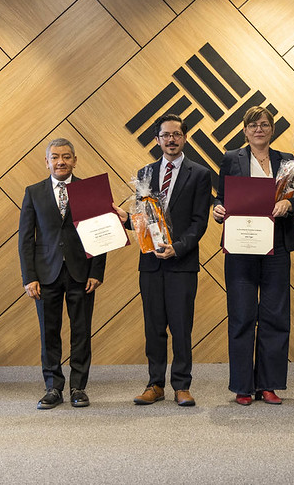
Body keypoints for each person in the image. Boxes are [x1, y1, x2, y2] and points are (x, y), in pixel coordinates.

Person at [213, 105, 294, 405]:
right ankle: (243, 385)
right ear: (244, 130)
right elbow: (221, 198)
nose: (259, 130)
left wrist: (289, 205)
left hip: (276, 246)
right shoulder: (231, 158)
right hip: (240, 247)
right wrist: (217, 210)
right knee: (242, 316)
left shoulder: (288, 162)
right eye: (253, 125)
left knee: (275, 316)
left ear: (272, 129)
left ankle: (268, 384)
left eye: (264, 124)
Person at [119, 113, 212, 407]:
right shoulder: (144, 173)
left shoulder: (199, 173)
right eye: (165, 135)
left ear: (184, 138)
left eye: (176, 134)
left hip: (181, 262)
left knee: (181, 326)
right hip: (150, 264)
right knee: (154, 326)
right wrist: (125, 220)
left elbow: (199, 222)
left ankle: (182, 385)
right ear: (157, 140)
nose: (171, 140)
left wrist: (178, 248)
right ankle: (154, 384)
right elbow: (144, 221)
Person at [19, 138, 107, 410]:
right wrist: (29, 277)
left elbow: (100, 232)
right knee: (49, 332)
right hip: (45, 275)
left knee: (81, 331)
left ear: (75, 160)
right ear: (46, 162)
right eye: (55, 157)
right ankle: (53, 387)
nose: (61, 162)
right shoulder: (33, 192)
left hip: (82, 273)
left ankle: (78, 387)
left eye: (66, 157)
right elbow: (25, 239)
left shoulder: (87, 190)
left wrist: (97, 271)